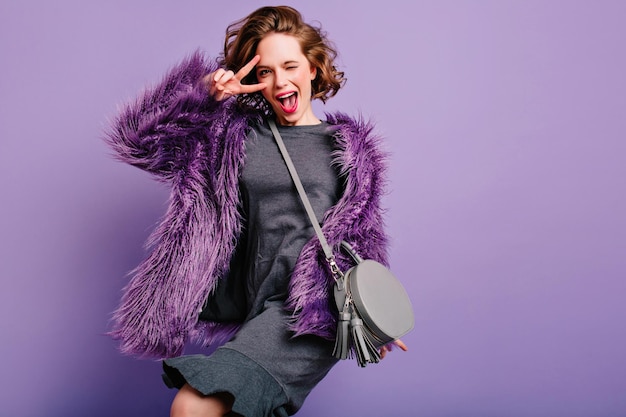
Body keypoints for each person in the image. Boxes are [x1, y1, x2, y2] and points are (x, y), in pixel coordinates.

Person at [105, 5, 407, 417]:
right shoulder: (233, 136)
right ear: (254, 79)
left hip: (310, 313)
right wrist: (204, 97)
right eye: (265, 71)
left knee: (192, 407)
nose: (280, 81)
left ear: (314, 68)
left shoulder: (349, 150)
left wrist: (373, 318)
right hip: (255, 304)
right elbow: (138, 142)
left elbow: (362, 240)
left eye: (290, 66)